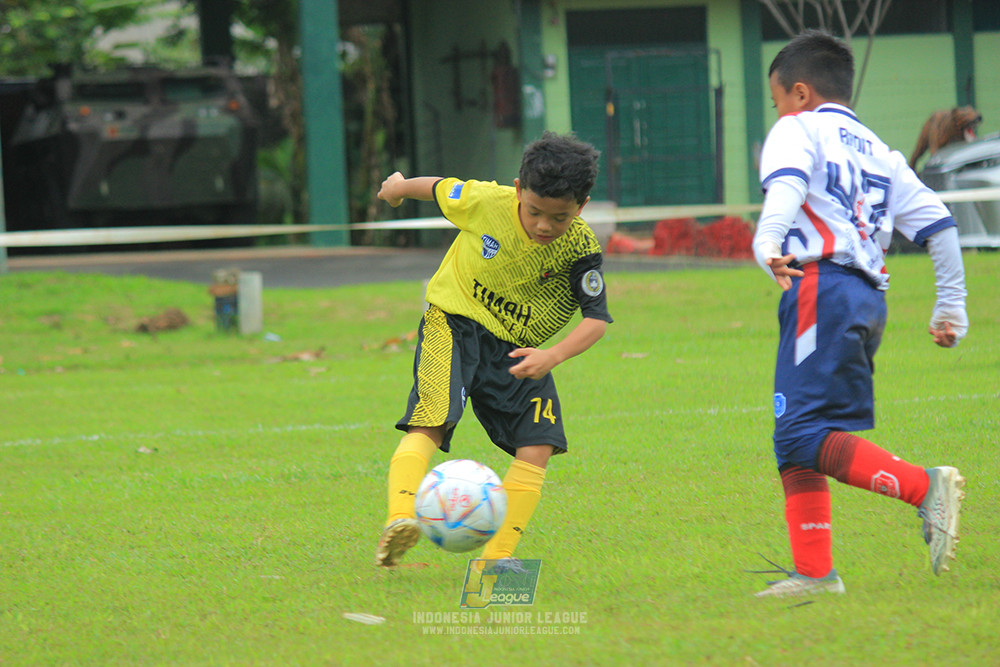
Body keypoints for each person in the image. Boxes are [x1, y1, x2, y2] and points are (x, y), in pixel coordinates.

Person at [751, 30, 968, 597]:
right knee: (799, 433)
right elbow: (940, 224)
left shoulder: (796, 129)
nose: (777, 112)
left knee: (798, 432)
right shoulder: (879, 149)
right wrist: (950, 304)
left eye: (776, 100)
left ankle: (925, 487)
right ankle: (816, 574)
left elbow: (789, 185)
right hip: (866, 297)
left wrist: (767, 238)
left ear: (798, 93)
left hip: (819, 287)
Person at [373, 132, 612, 568]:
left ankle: (498, 558)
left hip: (519, 351)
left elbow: (595, 320)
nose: (544, 225)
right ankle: (401, 518)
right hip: (454, 321)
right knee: (433, 419)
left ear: (581, 206)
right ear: (518, 191)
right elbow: (438, 186)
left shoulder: (580, 247)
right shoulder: (486, 201)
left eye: (558, 218)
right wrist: (398, 187)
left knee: (539, 443)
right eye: (535, 211)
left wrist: (551, 356)